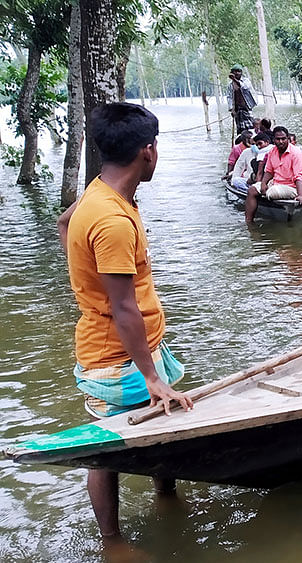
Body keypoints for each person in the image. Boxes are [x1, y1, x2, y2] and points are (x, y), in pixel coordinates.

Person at [55, 102, 193, 542]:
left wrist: (83, 279)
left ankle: (167, 500)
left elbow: (64, 223)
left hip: (138, 347)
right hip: (118, 358)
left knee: (160, 433)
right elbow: (122, 306)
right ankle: (113, 542)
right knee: (104, 451)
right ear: (147, 152)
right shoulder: (112, 219)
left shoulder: (101, 194)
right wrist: (151, 377)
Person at [245, 126, 302, 223]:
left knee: (271, 192)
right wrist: (263, 183)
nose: (281, 141)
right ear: (273, 140)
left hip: (292, 186)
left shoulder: (296, 153)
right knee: (252, 190)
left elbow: (299, 176)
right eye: (278, 139)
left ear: (288, 139)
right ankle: (249, 221)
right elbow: (269, 171)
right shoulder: (272, 152)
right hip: (276, 183)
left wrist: (300, 195)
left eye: (283, 139)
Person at [227, 64, 257, 134]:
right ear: (232, 73)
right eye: (235, 71)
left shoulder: (246, 81)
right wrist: (232, 109)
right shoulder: (230, 85)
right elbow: (229, 97)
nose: (237, 73)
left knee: (251, 129)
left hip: (247, 109)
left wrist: (234, 79)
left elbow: (245, 87)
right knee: (240, 130)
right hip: (238, 110)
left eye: (239, 71)